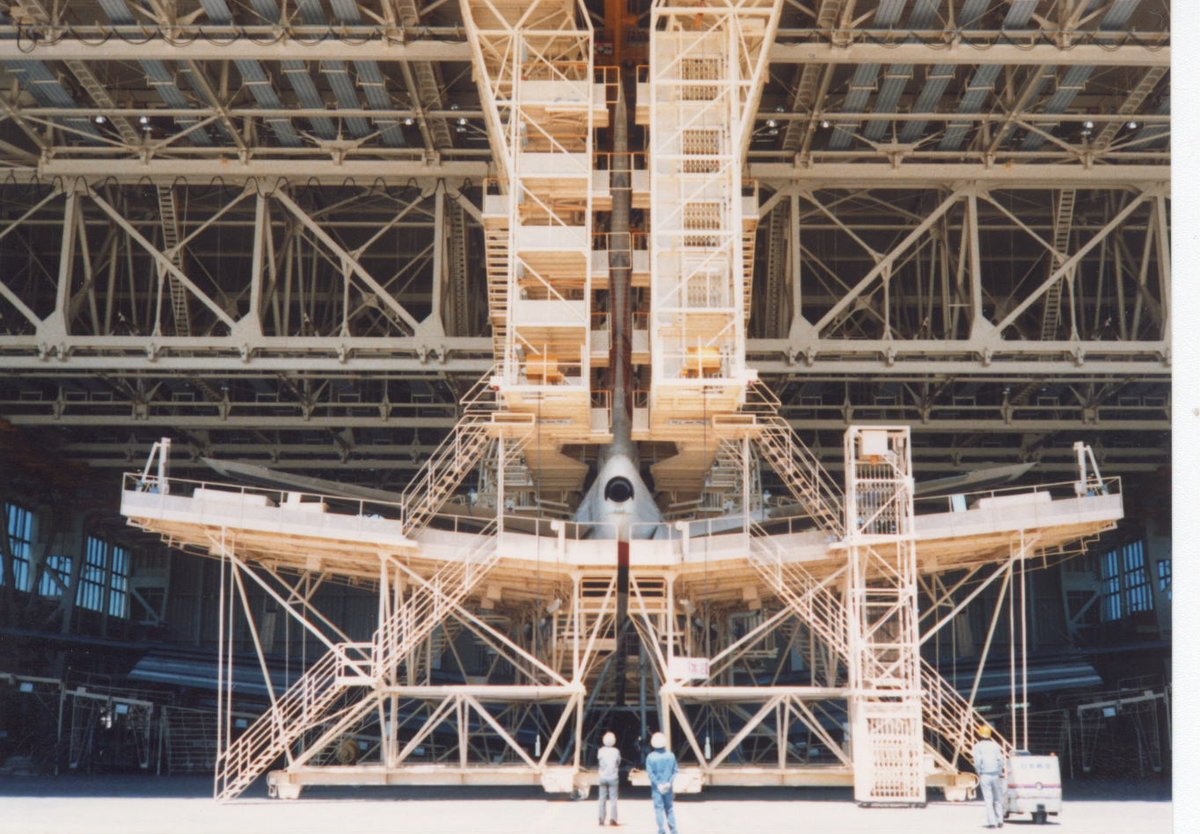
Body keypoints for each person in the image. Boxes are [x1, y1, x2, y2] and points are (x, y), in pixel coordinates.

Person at [972, 724, 1007, 828]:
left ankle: (992, 823)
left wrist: (978, 771)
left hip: (985, 775)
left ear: (980, 735)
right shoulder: (995, 746)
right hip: (995, 774)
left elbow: (978, 761)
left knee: (988, 799)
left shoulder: (977, 746)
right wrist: (1000, 771)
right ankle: (1000, 820)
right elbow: (1000, 760)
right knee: (997, 798)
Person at [645, 731, 679, 834]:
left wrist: (658, 784)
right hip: (668, 787)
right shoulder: (671, 756)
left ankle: (661, 830)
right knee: (669, 809)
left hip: (657, 788)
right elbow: (675, 770)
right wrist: (669, 783)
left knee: (659, 809)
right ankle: (673, 830)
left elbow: (650, 774)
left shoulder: (650, 757)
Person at [597, 731, 621, 826]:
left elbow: (600, 761)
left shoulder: (600, 751)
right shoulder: (616, 751)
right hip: (613, 777)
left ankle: (601, 818)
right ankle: (613, 818)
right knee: (613, 799)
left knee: (602, 798)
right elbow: (618, 762)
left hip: (602, 776)